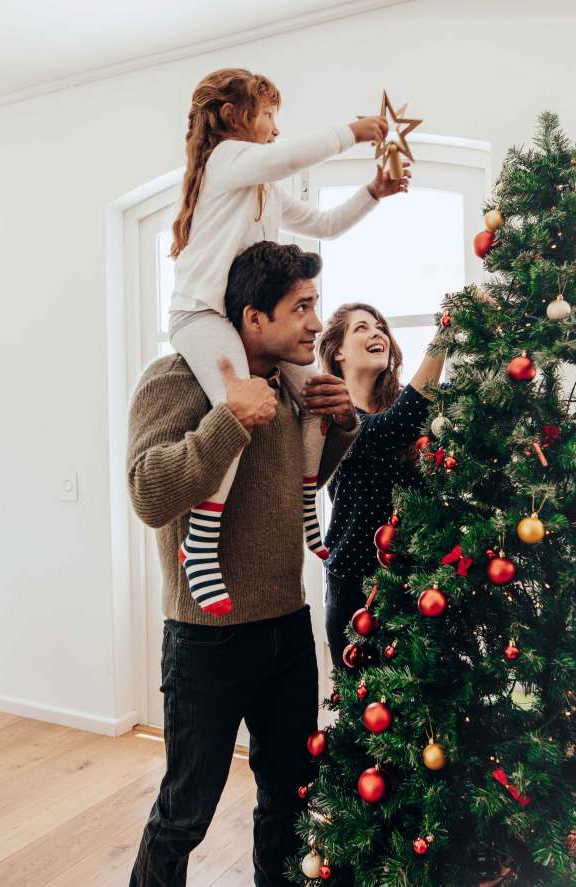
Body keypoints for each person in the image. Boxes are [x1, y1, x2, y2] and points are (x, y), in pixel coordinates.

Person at [128, 241, 358, 887]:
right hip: (207, 638)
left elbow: (287, 489)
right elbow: (149, 492)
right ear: (253, 318)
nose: (318, 321)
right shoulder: (173, 380)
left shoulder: (291, 390)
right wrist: (228, 420)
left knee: (289, 800)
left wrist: (339, 425)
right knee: (185, 814)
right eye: (302, 307)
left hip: (288, 629)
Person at [168, 66, 410, 616]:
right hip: (202, 316)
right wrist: (354, 131)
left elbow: (324, 224)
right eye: (269, 114)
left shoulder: (264, 191)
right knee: (242, 405)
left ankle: (307, 509)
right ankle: (201, 540)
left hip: (240, 319)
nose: (276, 128)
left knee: (319, 395)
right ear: (234, 117)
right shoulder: (225, 160)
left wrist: (373, 191)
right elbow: (285, 156)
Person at [316, 303, 446, 669]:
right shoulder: (332, 413)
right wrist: (445, 335)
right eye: (362, 328)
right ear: (338, 351)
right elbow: (388, 430)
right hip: (356, 586)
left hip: (422, 579)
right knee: (365, 711)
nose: (377, 334)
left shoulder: (414, 404)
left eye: (380, 328)